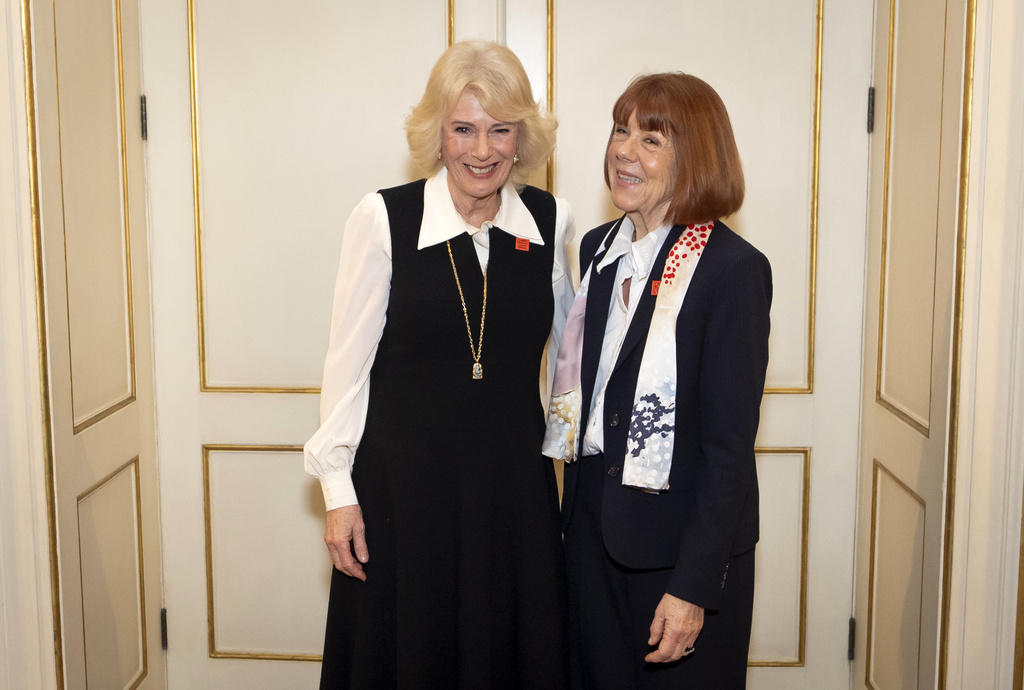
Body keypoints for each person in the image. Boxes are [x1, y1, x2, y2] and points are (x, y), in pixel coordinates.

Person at [304, 40, 574, 689]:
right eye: (464, 129)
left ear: (522, 135)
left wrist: (584, 478)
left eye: (500, 129)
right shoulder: (383, 218)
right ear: (438, 133)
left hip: (514, 493)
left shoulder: (551, 220)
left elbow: (570, 362)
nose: (482, 150)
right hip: (404, 492)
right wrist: (338, 494)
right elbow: (346, 365)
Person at [543, 72, 771, 689]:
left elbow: (728, 452)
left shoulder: (732, 271)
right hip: (591, 534)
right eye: (621, 131)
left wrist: (693, 588)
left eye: (651, 139)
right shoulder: (597, 249)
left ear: (694, 156)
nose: (624, 150)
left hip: (678, 556)